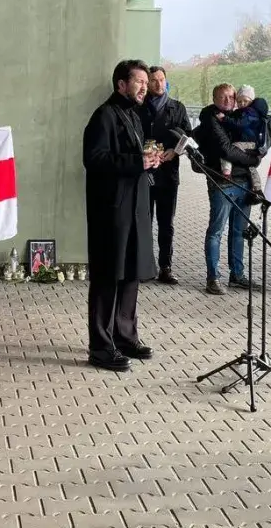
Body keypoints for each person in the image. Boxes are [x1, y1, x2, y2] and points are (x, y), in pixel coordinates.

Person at [83, 60, 158, 372]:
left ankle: (125, 336)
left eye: (146, 81)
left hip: (135, 208)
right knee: (107, 277)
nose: (144, 86)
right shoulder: (104, 116)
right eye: (138, 81)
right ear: (121, 85)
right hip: (111, 211)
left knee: (130, 273)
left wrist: (151, 159)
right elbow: (94, 159)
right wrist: (137, 161)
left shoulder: (132, 115)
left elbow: (133, 159)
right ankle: (100, 347)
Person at [192, 84, 262, 294]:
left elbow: (256, 138)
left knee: (239, 232)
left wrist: (255, 154)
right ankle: (213, 278)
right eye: (222, 98)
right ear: (214, 99)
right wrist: (253, 159)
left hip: (244, 182)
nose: (227, 101)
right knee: (216, 231)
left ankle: (237, 275)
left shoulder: (240, 117)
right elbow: (226, 149)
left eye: (231, 97)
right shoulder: (211, 119)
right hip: (221, 183)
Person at [137, 66, 191, 284]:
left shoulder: (177, 108)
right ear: (148, 83)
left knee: (166, 222)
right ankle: (144, 265)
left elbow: (189, 136)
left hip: (168, 173)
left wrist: (175, 151)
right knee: (144, 221)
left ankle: (165, 267)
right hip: (145, 172)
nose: (158, 84)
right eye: (154, 80)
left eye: (162, 80)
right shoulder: (139, 107)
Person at [219, 84, 271, 194]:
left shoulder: (250, 112)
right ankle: (257, 190)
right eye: (239, 101)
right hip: (252, 144)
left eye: (245, 101)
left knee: (229, 150)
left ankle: (226, 173)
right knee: (251, 167)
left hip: (250, 143)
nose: (242, 104)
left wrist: (225, 119)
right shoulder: (248, 112)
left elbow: (240, 124)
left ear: (251, 101)